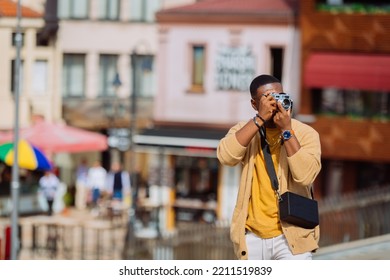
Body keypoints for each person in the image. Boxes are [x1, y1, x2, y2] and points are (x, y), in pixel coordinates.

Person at [217, 74, 321, 260]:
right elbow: (225, 156)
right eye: (268, 99)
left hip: (293, 236)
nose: (275, 104)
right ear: (254, 104)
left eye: (279, 96)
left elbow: (305, 176)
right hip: (252, 237)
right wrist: (258, 120)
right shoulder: (246, 131)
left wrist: (287, 130)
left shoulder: (306, 134)